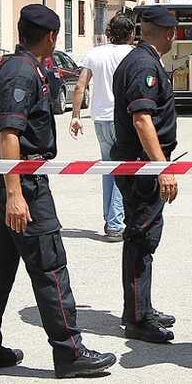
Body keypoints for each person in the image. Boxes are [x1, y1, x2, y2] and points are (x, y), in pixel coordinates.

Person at [0, 4, 116, 379]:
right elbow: (9, 135)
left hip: (9, 180)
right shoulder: (21, 72)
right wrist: (16, 193)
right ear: (51, 36)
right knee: (50, 265)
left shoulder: (15, 64)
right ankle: (70, 352)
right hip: (22, 182)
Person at [111, 5, 179, 343]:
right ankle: (138, 319)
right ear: (169, 34)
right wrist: (160, 167)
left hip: (140, 163)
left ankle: (141, 307)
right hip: (142, 166)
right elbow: (142, 118)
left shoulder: (140, 60)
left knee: (146, 236)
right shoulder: (143, 65)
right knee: (141, 237)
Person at [69, 14, 135, 240]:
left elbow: (80, 86)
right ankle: (116, 224)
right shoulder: (132, 54)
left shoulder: (95, 54)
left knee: (108, 168)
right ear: (130, 33)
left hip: (100, 119)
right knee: (122, 170)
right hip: (123, 119)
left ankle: (109, 219)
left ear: (109, 33)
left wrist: (75, 116)